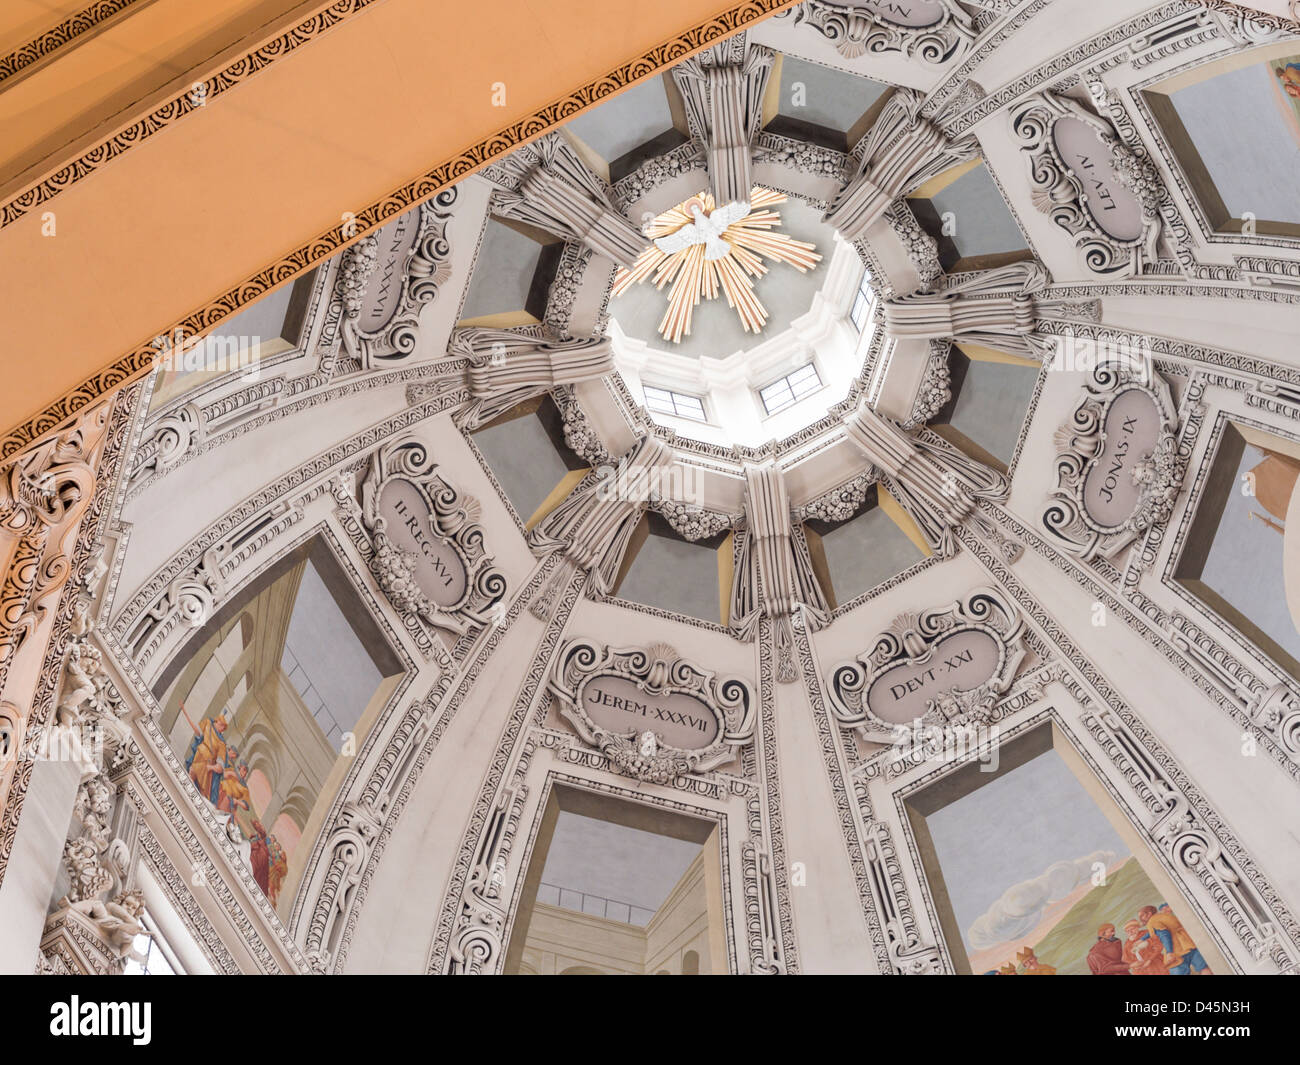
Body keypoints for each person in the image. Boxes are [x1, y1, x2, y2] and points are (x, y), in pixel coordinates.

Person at [1139, 903, 1210, 975]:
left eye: (1142, 916)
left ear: (1149, 914)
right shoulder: (1162, 916)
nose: (1140, 918)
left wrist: (1169, 952)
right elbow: (1158, 930)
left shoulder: (1152, 922)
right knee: (1203, 968)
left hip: (1177, 950)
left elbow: (1164, 935)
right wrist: (1142, 939)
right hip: (1189, 944)